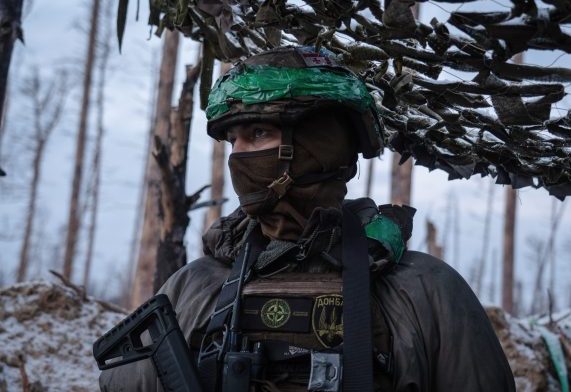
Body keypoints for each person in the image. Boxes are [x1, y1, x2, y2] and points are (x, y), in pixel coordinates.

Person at [99, 46, 515, 391]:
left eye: (259, 134)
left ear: (321, 144)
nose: (240, 156)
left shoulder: (425, 290)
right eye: (233, 141)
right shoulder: (195, 286)